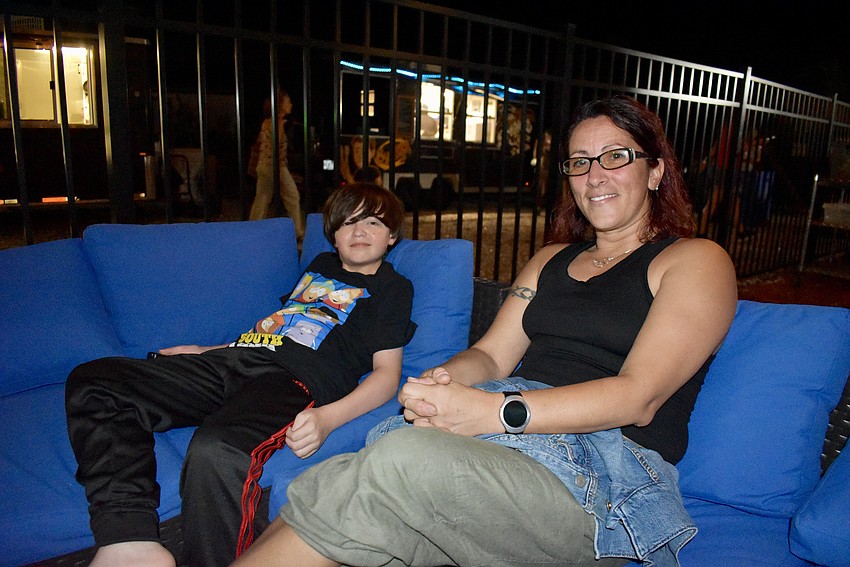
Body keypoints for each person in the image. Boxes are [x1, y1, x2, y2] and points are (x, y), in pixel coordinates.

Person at [232, 95, 739, 567]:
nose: (594, 175)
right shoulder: (548, 261)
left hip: (602, 471)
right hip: (509, 446)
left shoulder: (695, 260)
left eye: (615, 156)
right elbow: (493, 358)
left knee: (398, 457)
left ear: (655, 171)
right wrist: (444, 381)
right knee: (352, 486)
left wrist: (493, 411)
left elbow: (639, 397)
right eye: (580, 162)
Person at [65, 183, 417, 567]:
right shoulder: (320, 266)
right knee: (96, 380)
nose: (359, 231)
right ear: (333, 235)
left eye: (372, 222)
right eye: (348, 222)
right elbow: (279, 329)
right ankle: (128, 539)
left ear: (393, 235)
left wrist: (327, 419)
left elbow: (387, 376)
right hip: (235, 360)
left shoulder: (392, 288)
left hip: (291, 382)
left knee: (216, 450)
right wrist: (207, 350)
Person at [249, 89, 305, 240]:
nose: (291, 104)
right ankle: (297, 231)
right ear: (281, 104)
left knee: (262, 197)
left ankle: (252, 228)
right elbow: (277, 144)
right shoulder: (276, 122)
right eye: (288, 101)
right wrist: (281, 125)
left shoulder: (267, 122)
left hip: (264, 165)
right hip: (275, 167)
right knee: (292, 196)